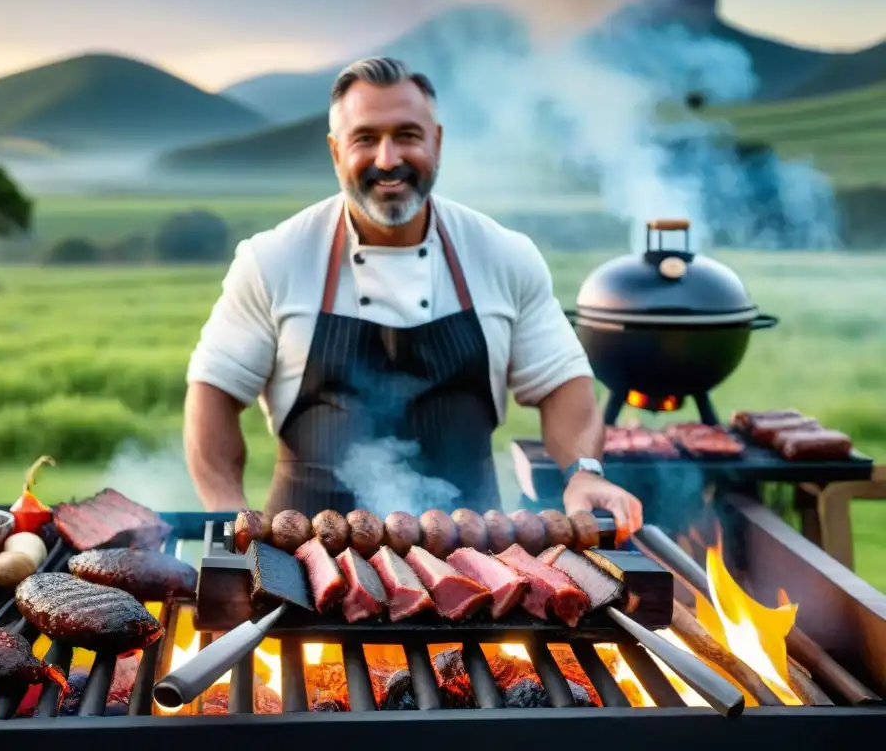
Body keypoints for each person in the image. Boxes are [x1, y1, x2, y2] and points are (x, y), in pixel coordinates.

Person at [183, 56, 644, 543]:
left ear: (437, 143)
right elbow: (214, 391)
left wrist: (584, 473)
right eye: (365, 138)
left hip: (477, 569)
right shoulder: (275, 259)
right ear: (336, 151)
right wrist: (226, 512)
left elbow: (561, 382)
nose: (387, 159)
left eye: (407, 135)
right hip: (303, 568)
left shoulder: (504, 255)